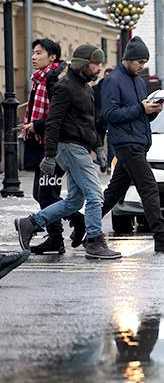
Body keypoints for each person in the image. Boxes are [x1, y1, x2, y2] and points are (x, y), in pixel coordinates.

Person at [14, 44, 121, 260]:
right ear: (83, 64)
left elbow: (89, 122)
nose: (99, 68)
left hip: (80, 147)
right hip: (70, 148)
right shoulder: (65, 86)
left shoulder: (85, 87)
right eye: (95, 64)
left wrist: (98, 146)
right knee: (95, 195)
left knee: (74, 201)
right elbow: (53, 123)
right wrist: (50, 156)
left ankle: (30, 223)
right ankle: (94, 240)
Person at [100, 37, 164, 253]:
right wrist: (141, 109)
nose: (142, 66)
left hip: (138, 142)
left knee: (114, 192)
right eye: (139, 61)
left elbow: (139, 113)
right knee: (149, 188)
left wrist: (152, 112)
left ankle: (82, 225)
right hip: (126, 144)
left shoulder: (139, 81)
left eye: (144, 61)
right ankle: (162, 236)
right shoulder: (113, 81)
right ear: (127, 59)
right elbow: (110, 115)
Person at [18, 38, 85, 254]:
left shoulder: (55, 79)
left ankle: (72, 225)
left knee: (47, 194)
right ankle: (58, 235)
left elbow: (60, 116)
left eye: (38, 53)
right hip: (43, 144)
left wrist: (35, 124)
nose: (34, 57)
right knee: (41, 193)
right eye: (33, 53)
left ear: (52, 57)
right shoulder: (40, 79)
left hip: (55, 146)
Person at [93, 68, 114, 173]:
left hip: (110, 119)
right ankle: (102, 161)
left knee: (111, 143)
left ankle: (109, 165)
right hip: (99, 120)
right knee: (99, 142)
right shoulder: (96, 89)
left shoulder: (115, 89)